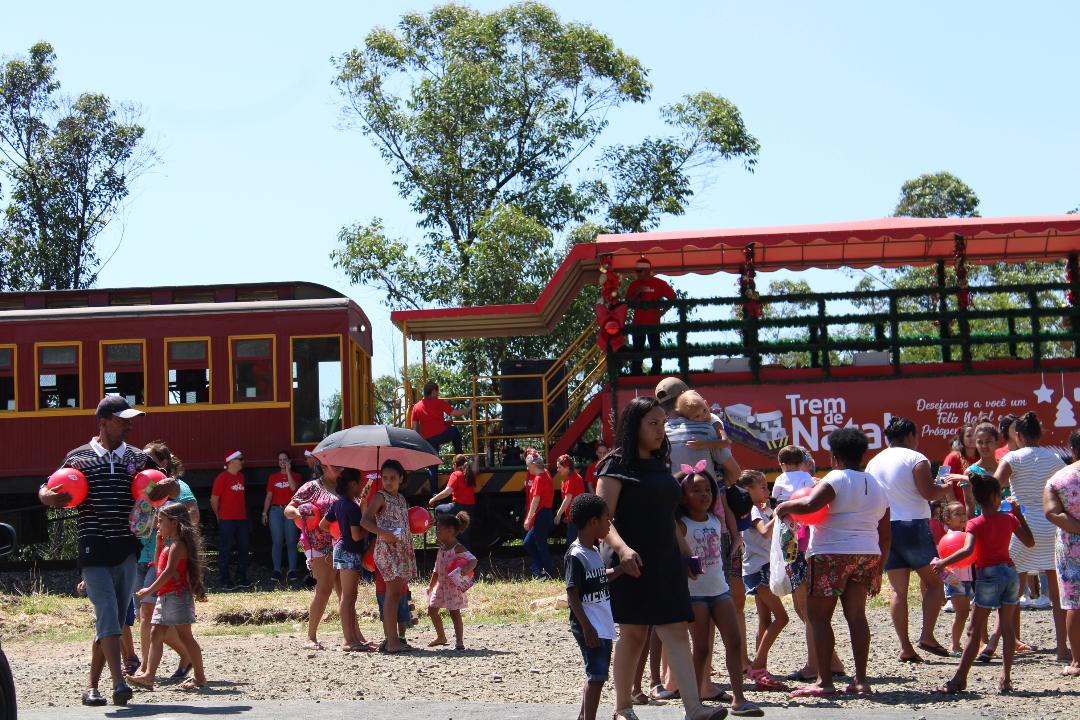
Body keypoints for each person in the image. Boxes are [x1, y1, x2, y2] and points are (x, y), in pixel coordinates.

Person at [595, 395, 728, 720]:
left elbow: (668, 518)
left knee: (675, 630)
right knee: (634, 632)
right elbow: (602, 519)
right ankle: (622, 708)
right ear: (634, 426)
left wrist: (687, 554)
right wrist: (623, 550)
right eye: (653, 423)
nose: (660, 430)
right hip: (631, 561)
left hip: (666, 558)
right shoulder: (614, 465)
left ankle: (694, 709)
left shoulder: (660, 464)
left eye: (662, 424)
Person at [39, 396, 177, 707]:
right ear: (103, 423)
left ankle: (91, 687)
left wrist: (162, 489)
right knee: (108, 614)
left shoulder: (139, 458)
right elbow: (46, 488)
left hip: (126, 548)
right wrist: (48, 497)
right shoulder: (78, 457)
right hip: (93, 548)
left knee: (110, 620)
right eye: (123, 419)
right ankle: (118, 684)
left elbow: (172, 485)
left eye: (131, 419)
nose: (130, 424)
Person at [776, 427, 890, 698]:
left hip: (830, 554)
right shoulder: (877, 485)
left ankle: (825, 682)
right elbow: (886, 534)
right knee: (857, 618)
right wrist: (878, 568)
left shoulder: (835, 478)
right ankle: (861, 681)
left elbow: (809, 506)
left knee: (818, 618)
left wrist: (784, 508)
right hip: (866, 554)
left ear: (834, 456)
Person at [931, 472, 1035, 694]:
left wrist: (943, 562)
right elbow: (1029, 541)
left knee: (974, 628)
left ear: (977, 500)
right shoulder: (1010, 519)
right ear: (998, 497)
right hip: (1010, 573)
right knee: (1007, 628)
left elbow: (967, 550)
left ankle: (959, 679)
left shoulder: (975, 524)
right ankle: (1006, 679)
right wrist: (1018, 514)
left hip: (988, 575)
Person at [677, 470, 762, 717]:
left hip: (719, 590)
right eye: (696, 490)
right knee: (701, 648)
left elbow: (727, 508)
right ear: (683, 498)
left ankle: (739, 699)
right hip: (695, 595)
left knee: (734, 642)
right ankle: (693, 704)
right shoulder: (680, 525)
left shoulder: (716, 519)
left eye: (707, 490)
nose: (704, 495)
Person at [864, 416, 949, 661]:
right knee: (935, 583)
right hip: (913, 525)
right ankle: (927, 635)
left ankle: (906, 647)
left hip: (886, 527)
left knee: (898, 591)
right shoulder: (916, 458)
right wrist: (945, 485)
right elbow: (928, 492)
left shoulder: (874, 461)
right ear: (911, 436)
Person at [995, 411, 1068, 661]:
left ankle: (1009, 644)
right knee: (1057, 593)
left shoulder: (1012, 458)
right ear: (1041, 433)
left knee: (1013, 590)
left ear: (1017, 435)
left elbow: (995, 487)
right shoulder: (1056, 459)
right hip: (1051, 525)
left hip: (1021, 525)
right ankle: (1061, 648)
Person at [127, 503, 207, 691]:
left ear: (174, 523)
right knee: (156, 633)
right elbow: (157, 566)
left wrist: (148, 591)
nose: (157, 525)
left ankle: (200, 677)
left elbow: (168, 573)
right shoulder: (170, 545)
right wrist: (160, 544)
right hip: (166, 597)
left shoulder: (178, 546)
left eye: (161, 521)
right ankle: (149, 676)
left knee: (186, 637)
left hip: (177, 597)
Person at [136, 442, 196, 683]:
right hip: (139, 554)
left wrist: (172, 531)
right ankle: (181, 656)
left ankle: (146, 669)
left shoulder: (177, 487)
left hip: (162, 557)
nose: (142, 464)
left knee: (149, 612)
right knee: (146, 614)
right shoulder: (139, 484)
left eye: (148, 460)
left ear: (162, 463)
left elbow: (193, 513)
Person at [565, 493, 625, 720]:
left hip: (600, 622)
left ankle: (583, 716)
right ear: (593, 522)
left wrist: (620, 569)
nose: (609, 524)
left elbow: (598, 577)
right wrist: (587, 626)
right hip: (590, 623)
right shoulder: (576, 554)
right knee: (597, 675)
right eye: (606, 519)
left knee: (597, 673)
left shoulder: (592, 550)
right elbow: (572, 593)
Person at [738, 470, 788, 692]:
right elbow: (765, 533)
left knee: (765, 620)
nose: (767, 491)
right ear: (748, 490)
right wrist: (780, 513)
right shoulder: (752, 509)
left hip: (763, 567)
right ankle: (757, 666)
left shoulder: (763, 508)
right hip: (758, 570)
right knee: (782, 618)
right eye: (762, 487)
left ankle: (761, 671)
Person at [361, 459, 418, 653]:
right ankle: (392, 641)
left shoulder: (401, 498)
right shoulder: (380, 497)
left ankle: (393, 640)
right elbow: (364, 521)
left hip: (401, 551)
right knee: (392, 595)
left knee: (396, 594)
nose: (388, 481)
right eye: (384, 477)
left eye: (392, 478)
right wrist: (383, 533)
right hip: (387, 551)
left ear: (401, 479)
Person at [284, 461, 341, 650]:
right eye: (336, 465)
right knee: (324, 590)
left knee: (346, 594)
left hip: (341, 544)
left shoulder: (345, 486)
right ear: (325, 466)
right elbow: (288, 509)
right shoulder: (311, 487)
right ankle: (311, 637)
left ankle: (353, 636)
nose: (340, 468)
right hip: (319, 546)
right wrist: (298, 513)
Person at [320, 467, 376, 652]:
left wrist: (340, 534)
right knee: (348, 597)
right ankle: (348, 640)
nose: (361, 486)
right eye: (359, 484)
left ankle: (353, 638)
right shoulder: (351, 507)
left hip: (341, 549)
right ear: (352, 485)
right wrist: (369, 526)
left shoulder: (340, 503)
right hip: (350, 552)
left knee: (348, 597)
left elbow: (323, 525)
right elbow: (357, 535)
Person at [1044, 427, 1080, 676]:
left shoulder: (1058, 479)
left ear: (1073, 450)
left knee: (1074, 603)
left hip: (1071, 547)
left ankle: (1077, 662)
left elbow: (1052, 512)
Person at [427, 511, 477, 650]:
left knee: (454, 613)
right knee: (432, 610)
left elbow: (473, 559)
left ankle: (459, 641)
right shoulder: (442, 548)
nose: (436, 532)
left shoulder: (457, 548)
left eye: (438, 529)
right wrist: (430, 586)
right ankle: (441, 636)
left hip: (453, 587)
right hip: (441, 586)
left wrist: (467, 568)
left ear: (449, 531)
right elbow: (436, 570)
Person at [411, 381, 474, 492]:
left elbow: (414, 428)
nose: (438, 393)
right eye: (437, 391)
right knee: (455, 431)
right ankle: (460, 459)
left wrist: (419, 445)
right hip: (441, 434)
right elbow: (456, 413)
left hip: (428, 440)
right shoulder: (438, 402)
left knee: (433, 466)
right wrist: (470, 407)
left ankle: (434, 495)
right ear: (433, 391)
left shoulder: (416, 407)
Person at [625, 258, 676, 375]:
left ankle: (656, 372)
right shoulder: (634, 285)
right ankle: (636, 372)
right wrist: (636, 292)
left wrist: (663, 311)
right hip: (638, 323)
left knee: (655, 348)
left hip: (654, 322)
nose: (637, 274)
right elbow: (627, 303)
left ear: (648, 270)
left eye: (640, 271)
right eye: (636, 271)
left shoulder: (659, 283)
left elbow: (673, 297)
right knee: (637, 349)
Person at [210, 450, 249, 589]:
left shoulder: (242, 477)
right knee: (225, 549)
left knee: (244, 548)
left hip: (242, 519)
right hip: (227, 519)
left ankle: (241, 577)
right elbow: (214, 500)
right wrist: (218, 515)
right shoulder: (222, 478)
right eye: (240, 459)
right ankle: (225, 579)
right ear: (231, 461)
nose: (243, 461)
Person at [940, 502, 974, 656]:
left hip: (967, 579)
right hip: (955, 580)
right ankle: (954, 645)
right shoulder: (947, 538)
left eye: (963, 514)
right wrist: (946, 578)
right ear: (948, 519)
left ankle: (960, 644)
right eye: (957, 514)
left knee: (965, 612)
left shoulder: (967, 536)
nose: (962, 517)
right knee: (961, 613)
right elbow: (939, 560)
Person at [263, 450, 300, 583]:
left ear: (289, 461)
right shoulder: (273, 477)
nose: (282, 462)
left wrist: (288, 471)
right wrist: (264, 512)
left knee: (291, 542)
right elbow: (269, 497)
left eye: (285, 459)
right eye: (280, 460)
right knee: (277, 542)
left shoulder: (296, 475)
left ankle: (292, 570)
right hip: (275, 511)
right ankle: (277, 570)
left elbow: (293, 488)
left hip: (290, 510)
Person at [427, 454, 477, 544]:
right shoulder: (471, 474)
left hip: (458, 508)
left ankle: (443, 534)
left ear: (455, 465)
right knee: (465, 538)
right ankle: (468, 556)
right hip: (470, 509)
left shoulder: (456, 474)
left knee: (439, 509)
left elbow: (447, 492)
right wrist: (476, 458)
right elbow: (475, 468)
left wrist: (433, 499)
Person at [522, 451, 556, 579]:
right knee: (529, 543)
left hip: (541, 514)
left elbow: (535, 501)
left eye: (528, 465)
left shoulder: (538, 479)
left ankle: (547, 573)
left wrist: (528, 519)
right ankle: (542, 569)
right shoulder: (546, 473)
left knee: (540, 545)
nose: (527, 468)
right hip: (545, 513)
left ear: (534, 465)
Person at [943, 424, 980, 506]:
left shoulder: (983, 457)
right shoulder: (953, 456)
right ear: (962, 439)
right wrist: (954, 505)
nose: (973, 438)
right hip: (960, 511)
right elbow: (942, 478)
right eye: (969, 436)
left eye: (975, 435)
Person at [554, 454, 586, 544]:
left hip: (575, 515)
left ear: (567, 467)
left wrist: (559, 514)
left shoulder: (571, 479)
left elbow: (567, 499)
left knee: (571, 543)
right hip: (576, 515)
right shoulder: (574, 477)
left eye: (559, 467)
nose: (557, 470)